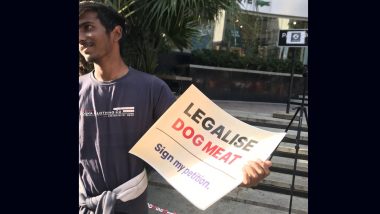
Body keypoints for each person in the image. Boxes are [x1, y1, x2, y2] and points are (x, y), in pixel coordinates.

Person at [79, 1, 272, 213]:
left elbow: (193, 144)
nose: (80, 37)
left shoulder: (152, 89)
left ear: (116, 33)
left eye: (88, 27)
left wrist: (239, 172)